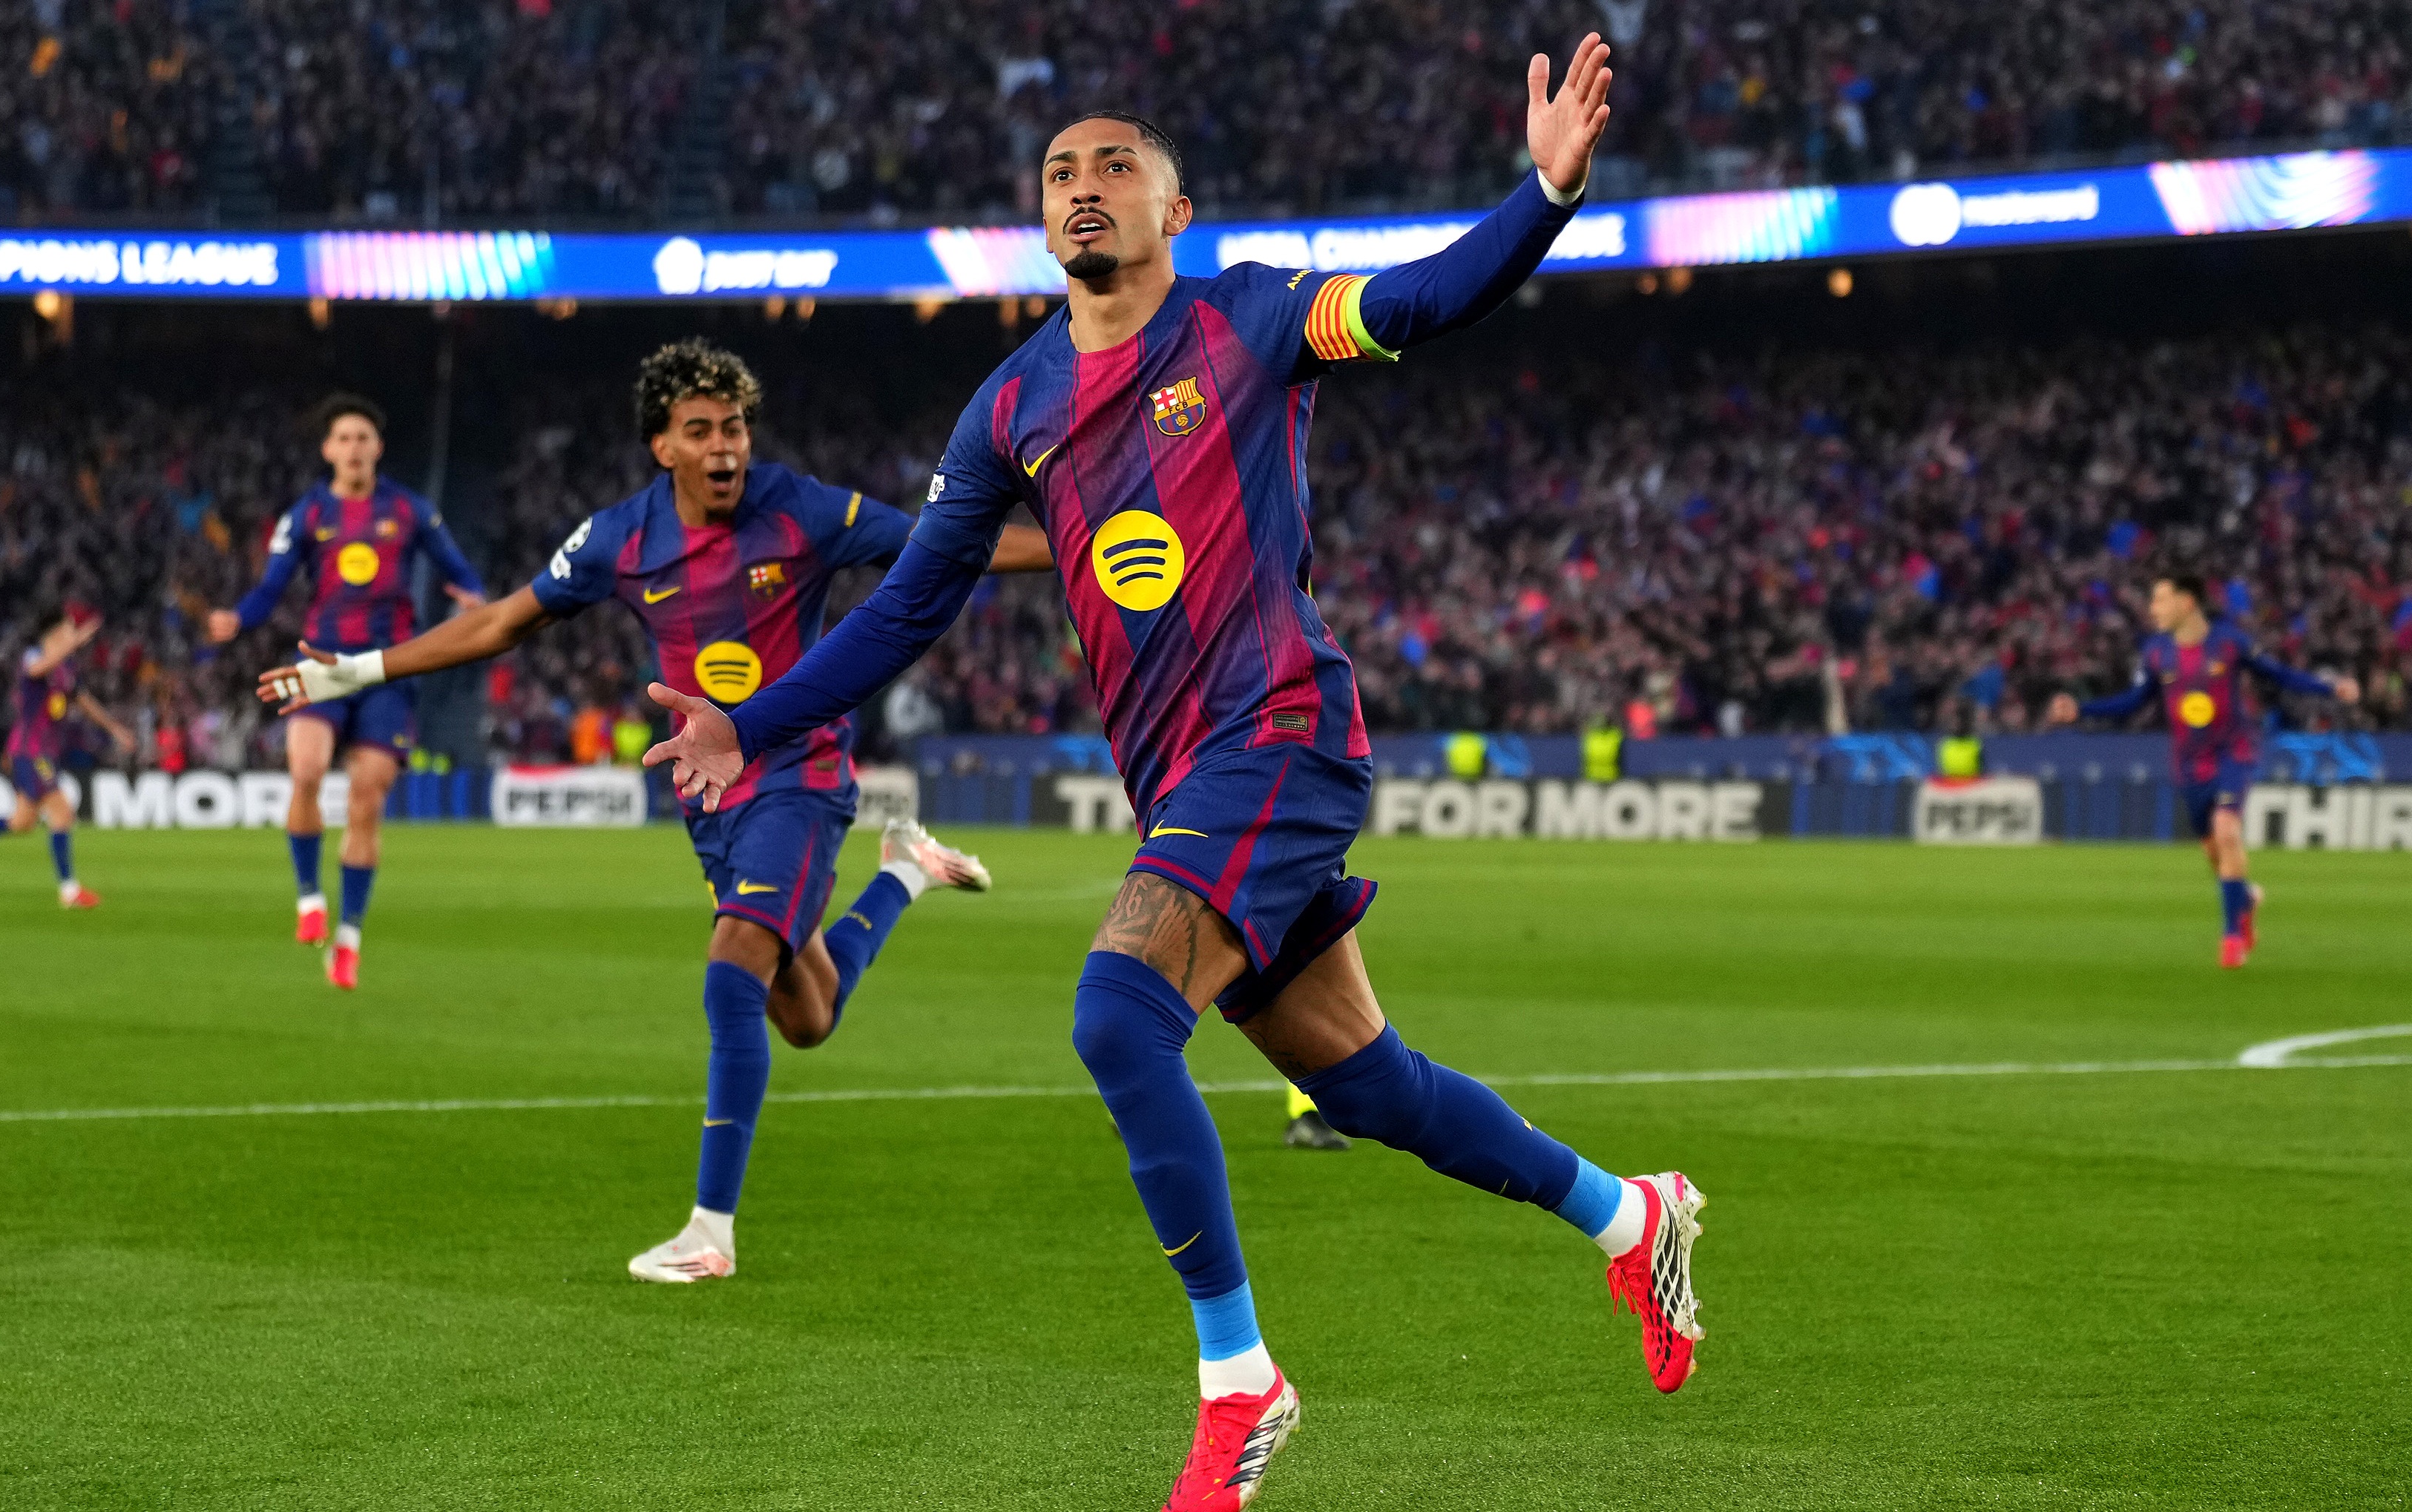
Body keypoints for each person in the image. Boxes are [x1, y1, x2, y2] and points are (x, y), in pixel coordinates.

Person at [643, 49, 1708, 1508]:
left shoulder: (1251, 316)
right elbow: (904, 606)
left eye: (1109, 168)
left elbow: (1422, 298)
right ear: (1041, 222)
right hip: (1180, 778)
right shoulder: (1010, 403)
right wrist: (751, 721)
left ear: (1172, 206)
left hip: (1274, 733)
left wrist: (1543, 194)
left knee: (1115, 1008)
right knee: (1373, 1084)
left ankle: (1236, 1376)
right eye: (1057, 177)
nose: (1081, 189)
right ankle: (1625, 1212)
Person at [254, 338, 1056, 1281]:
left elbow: (946, 544)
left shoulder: (800, 507)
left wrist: (1074, 543)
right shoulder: (619, 540)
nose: (725, 447)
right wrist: (347, 670)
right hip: (707, 796)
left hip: (797, 774)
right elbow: (501, 620)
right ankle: (903, 873)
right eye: (700, 431)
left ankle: (709, 1232)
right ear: (661, 447)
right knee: (804, 1016)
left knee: (730, 968)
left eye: (735, 427)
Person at [208, 394, 486, 989]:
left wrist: (472, 597)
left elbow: (456, 567)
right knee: (305, 771)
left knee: (366, 799)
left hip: (387, 669)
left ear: (377, 448)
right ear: (328, 449)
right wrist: (239, 620)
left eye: (364, 437)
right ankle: (310, 897)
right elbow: (272, 584)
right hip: (323, 664)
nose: (355, 447)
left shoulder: (410, 510)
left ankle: (349, 938)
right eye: (345, 438)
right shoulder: (307, 514)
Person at [2048, 571, 2358, 967]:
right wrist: (2081, 710)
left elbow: (2279, 675)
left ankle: (2232, 937)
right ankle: (2243, 898)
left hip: (2235, 751)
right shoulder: (2157, 653)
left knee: (2227, 830)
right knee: (2214, 850)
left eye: (2160, 599)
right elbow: (2135, 700)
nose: (2153, 608)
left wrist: (2330, 688)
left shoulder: (2230, 643)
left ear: (2187, 602)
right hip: (2190, 763)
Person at [0, 605, 135, 907]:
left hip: (41, 752)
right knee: (62, 813)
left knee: (22, 822)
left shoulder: (66, 669)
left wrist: (114, 728)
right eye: (69, 629)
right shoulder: (33, 657)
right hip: (31, 751)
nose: (73, 634)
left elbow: (83, 700)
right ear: (56, 633)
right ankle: (69, 891)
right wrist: (75, 641)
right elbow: (35, 670)